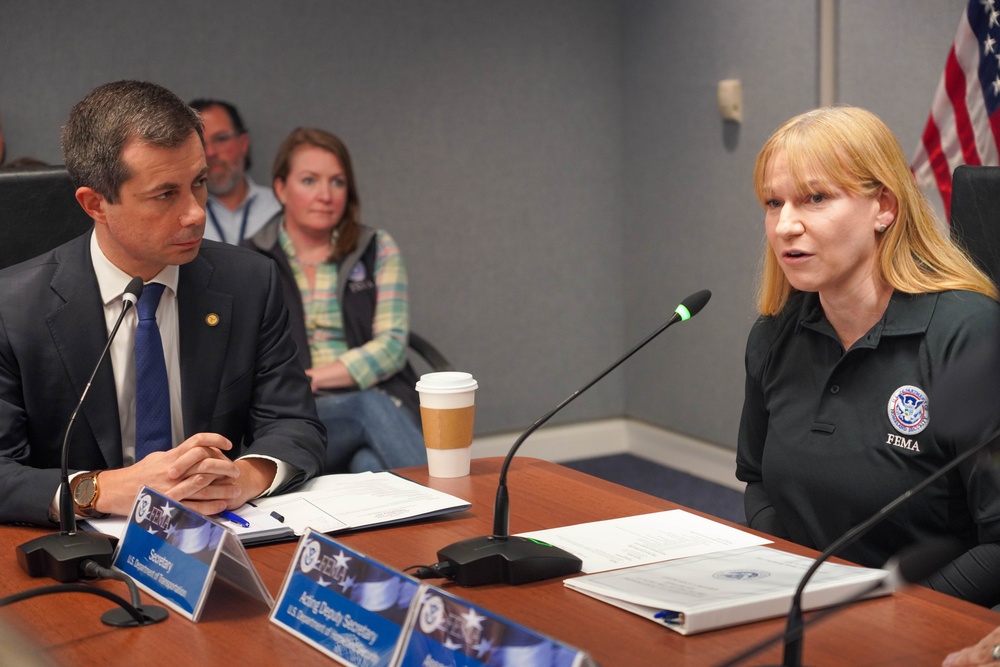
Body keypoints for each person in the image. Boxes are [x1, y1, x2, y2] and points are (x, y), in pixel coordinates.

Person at [0, 80, 326, 526]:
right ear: (95, 204)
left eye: (200, 183)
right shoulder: (14, 307)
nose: (195, 213)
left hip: (217, 535)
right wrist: (99, 488)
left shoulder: (249, 282)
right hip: (82, 550)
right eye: (165, 194)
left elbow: (294, 423)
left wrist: (243, 477)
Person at [735, 106, 1000, 607]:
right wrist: (788, 577)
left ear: (884, 207)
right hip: (799, 612)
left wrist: (889, 621)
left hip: (922, 627)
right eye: (774, 203)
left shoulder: (969, 333)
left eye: (815, 198)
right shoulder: (774, 336)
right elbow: (758, 482)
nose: (786, 226)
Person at [244, 127, 425, 473]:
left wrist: (314, 377)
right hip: (295, 417)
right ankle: (462, 515)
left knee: (368, 464)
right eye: (310, 181)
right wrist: (302, 386)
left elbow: (391, 347)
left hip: (378, 399)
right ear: (281, 189)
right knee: (366, 410)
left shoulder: (375, 247)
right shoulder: (252, 260)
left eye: (337, 182)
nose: (325, 195)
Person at [188, 98, 281, 244]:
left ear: (243, 143)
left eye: (221, 139)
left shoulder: (279, 208)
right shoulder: (180, 215)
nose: (210, 152)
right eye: (200, 143)